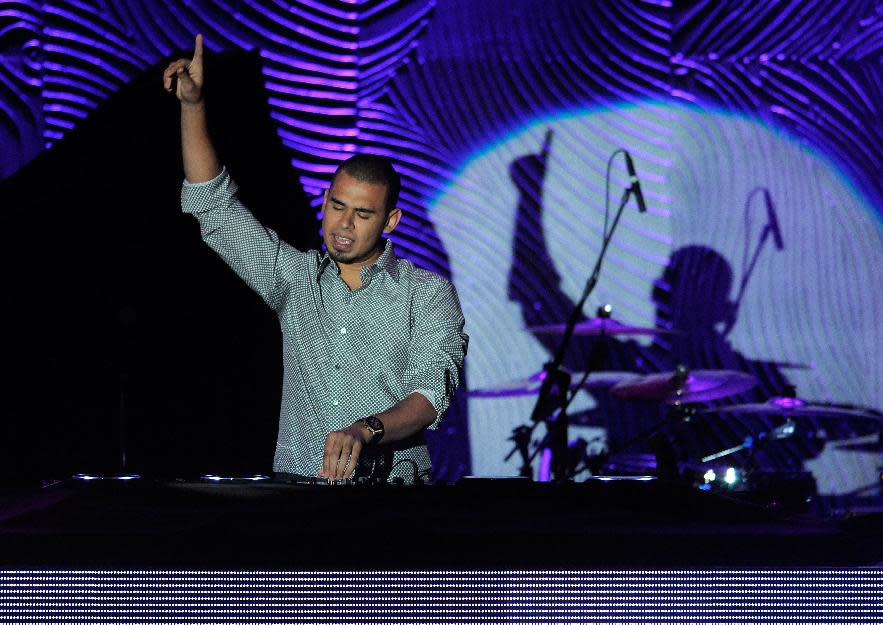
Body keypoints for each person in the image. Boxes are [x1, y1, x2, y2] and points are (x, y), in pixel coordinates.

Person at [163, 35, 468, 483]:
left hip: (392, 489)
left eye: (363, 214)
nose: (344, 224)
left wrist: (366, 430)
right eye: (337, 206)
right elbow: (215, 208)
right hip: (298, 488)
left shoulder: (426, 293)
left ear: (391, 220)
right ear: (324, 201)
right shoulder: (295, 277)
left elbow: (429, 395)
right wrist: (192, 105)